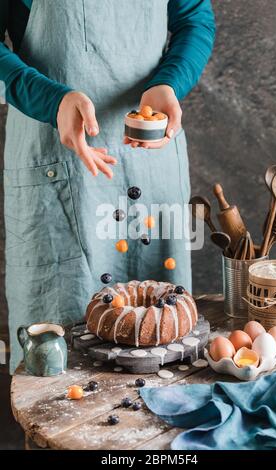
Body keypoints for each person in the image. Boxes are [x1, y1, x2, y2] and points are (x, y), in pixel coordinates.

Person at [0, 0, 215, 372]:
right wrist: (52, 100)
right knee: (58, 365)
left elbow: (195, 20)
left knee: (162, 339)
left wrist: (169, 81)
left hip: (150, 155)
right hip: (54, 151)